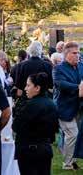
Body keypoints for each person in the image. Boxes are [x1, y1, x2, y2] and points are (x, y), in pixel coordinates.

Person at [12, 72, 59, 175]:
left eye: (28, 85)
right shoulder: (51, 103)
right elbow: (55, 129)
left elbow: (16, 126)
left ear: (37, 88)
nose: (25, 88)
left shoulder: (30, 105)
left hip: (29, 152)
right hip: (45, 149)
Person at [53, 41, 83, 171]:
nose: (78, 55)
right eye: (74, 53)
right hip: (65, 108)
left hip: (79, 107)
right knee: (73, 135)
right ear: (67, 54)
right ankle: (67, 164)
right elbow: (61, 84)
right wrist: (79, 88)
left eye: (78, 53)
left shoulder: (81, 66)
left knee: (76, 136)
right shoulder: (58, 69)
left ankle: (73, 161)